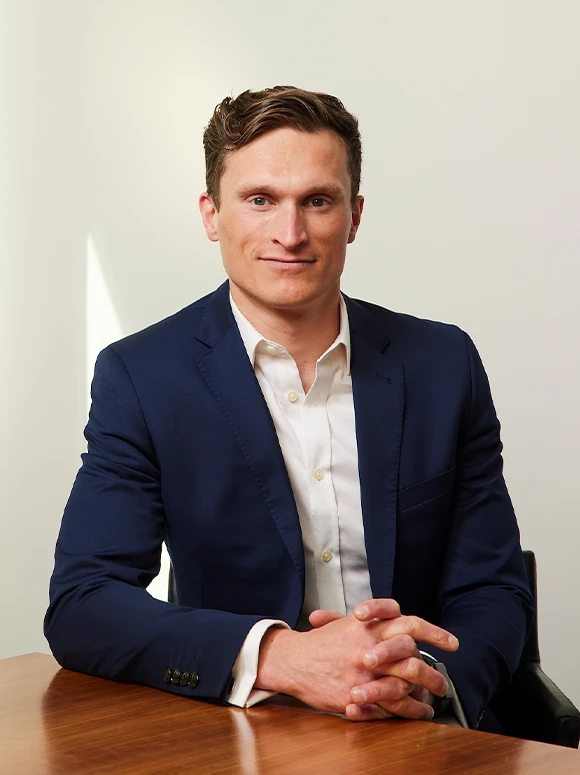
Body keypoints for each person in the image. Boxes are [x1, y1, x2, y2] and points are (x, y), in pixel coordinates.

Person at [45, 86, 533, 730]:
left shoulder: (444, 363)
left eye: (318, 201)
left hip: (425, 728)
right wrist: (283, 656)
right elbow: (84, 604)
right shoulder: (141, 376)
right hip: (243, 730)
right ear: (211, 214)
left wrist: (422, 680)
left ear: (355, 215)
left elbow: (494, 589)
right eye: (259, 200)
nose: (290, 233)